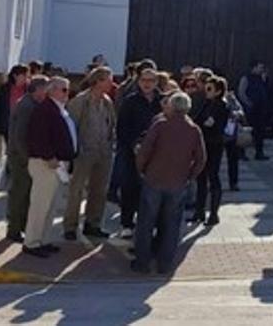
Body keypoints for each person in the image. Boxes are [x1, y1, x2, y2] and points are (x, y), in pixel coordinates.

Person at [131, 92, 207, 274]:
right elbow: (201, 158)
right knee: (172, 225)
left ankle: (142, 262)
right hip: (178, 181)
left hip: (154, 178)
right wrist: (190, 175)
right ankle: (164, 264)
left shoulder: (160, 125)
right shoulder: (194, 130)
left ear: (171, 106)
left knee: (146, 222)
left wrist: (141, 169)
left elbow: (145, 150)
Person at [23, 77, 77, 257]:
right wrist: (49, 156)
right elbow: (38, 137)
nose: (66, 93)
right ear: (51, 90)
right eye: (63, 90)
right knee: (40, 205)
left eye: (67, 90)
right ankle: (31, 242)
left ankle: (43, 239)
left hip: (57, 164)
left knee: (51, 206)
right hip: (45, 163)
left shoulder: (58, 109)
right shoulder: (44, 110)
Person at [63, 66, 117, 240]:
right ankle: (70, 226)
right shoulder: (80, 101)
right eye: (108, 79)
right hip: (83, 152)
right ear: (98, 81)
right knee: (76, 190)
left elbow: (111, 124)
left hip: (103, 152)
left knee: (99, 190)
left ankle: (93, 223)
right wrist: (72, 152)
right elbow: (71, 127)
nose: (112, 83)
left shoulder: (107, 101)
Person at [115, 68, 163, 238]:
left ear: (156, 82)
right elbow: (122, 127)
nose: (147, 83)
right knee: (130, 187)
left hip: (156, 154)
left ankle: (150, 224)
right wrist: (133, 144)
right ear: (139, 81)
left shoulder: (163, 101)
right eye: (144, 80)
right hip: (132, 152)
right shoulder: (130, 101)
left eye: (151, 80)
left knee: (152, 190)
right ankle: (126, 223)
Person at [6, 76, 48, 243]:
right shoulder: (26, 106)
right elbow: (19, 135)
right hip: (21, 157)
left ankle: (21, 226)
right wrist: (26, 157)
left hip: (24, 155)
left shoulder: (32, 104)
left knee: (26, 193)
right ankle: (14, 229)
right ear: (37, 89)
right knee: (20, 193)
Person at [191, 76, 232, 226]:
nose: (206, 91)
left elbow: (213, 124)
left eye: (210, 89)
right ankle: (199, 211)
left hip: (214, 145)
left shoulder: (222, 105)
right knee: (200, 177)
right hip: (203, 143)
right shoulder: (206, 103)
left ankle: (213, 213)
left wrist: (205, 124)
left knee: (213, 177)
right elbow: (198, 120)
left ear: (218, 91)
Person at [237, 62, 271, 160]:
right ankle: (241, 153)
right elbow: (241, 92)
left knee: (260, 132)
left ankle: (259, 152)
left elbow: (267, 91)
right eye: (260, 67)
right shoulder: (246, 78)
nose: (262, 69)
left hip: (261, 110)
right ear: (254, 67)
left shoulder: (262, 78)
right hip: (249, 109)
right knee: (246, 131)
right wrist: (248, 103)